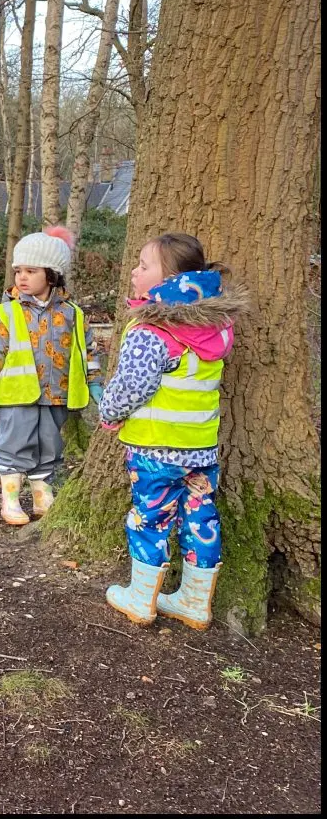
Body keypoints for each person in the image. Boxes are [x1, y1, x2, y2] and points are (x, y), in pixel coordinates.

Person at [100, 233, 248, 628]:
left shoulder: (151, 332)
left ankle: (141, 600)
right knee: (200, 517)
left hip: (155, 452)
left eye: (143, 266)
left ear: (171, 281)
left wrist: (109, 413)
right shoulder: (215, 330)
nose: (134, 272)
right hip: (200, 450)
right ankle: (195, 602)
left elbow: (132, 386)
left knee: (149, 519)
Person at [0, 226, 103, 525]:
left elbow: (87, 352)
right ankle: (11, 500)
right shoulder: (6, 312)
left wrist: (95, 382)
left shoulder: (73, 314)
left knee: (49, 445)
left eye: (31, 271)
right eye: (18, 271)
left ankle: (42, 496)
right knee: (14, 443)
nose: (22, 277)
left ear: (52, 275)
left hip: (57, 394)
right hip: (17, 395)